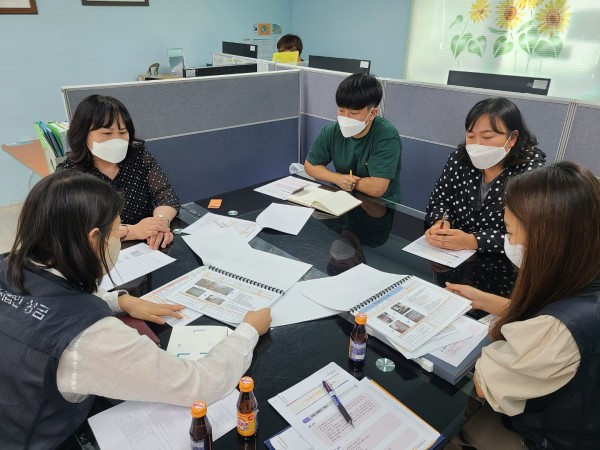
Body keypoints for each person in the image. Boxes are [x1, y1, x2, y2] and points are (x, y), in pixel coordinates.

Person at [0, 170, 272, 449]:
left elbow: (43, 303)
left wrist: (121, 301)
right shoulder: (89, 337)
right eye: (117, 231)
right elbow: (199, 385)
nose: (118, 238)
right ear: (95, 240)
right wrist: (248, 332)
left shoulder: (8, 265)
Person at [446, 161, 600, 449]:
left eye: (510, 232)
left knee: (446, 428)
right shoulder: (586, 272)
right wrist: (484, 299)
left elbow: (487, 384)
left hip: (549, 439)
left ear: (546, 241)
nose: (509, 242)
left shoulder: (558, 332)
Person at [58, 95, 180, 250]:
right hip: (103, 253)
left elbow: (166, 195)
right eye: (107, 134)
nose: (117, 140)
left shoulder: (138, 156)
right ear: (83, 134)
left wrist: (160, 223)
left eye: (123, 133)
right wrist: (133, 231)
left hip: (148, 244)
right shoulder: (69, 175)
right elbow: (78, 230)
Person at [425, 97, 545, 253]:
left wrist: (473, 241)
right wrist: (441, 224)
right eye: (471, 136)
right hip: (452, 254)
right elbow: (439, 200)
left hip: (503, 265)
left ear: (513, 138)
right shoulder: (459, 160)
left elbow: (528, 236)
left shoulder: (532, 175)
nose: (477, 144)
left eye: (487, 137)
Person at [304, 73, 402, 203]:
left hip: (377, 206)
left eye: (354, 113)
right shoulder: (332, 131)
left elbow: (377, 188)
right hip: (342, 199)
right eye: (341, 110)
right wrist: (337, 178)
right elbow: (310, 165)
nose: (345, 117)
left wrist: (347, 182)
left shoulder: (386, 136)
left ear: (372, 113)